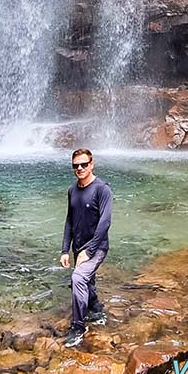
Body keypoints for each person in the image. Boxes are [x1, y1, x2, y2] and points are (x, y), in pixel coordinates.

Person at [59, 147, 112, 348]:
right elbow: (69, 221)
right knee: (85, 281)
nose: (79, 168)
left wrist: (88, 251)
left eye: (83, 164)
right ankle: (96, 308)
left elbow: (105, 223)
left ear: (92, 164)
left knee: (78, 278)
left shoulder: (102, 189)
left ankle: (78, 327)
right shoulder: (72, 190)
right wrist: (65, 249)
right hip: (78, 246)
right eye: (75, 165)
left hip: (97, 248)